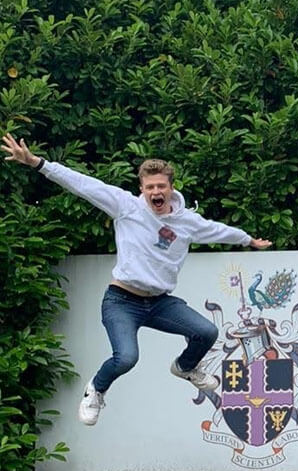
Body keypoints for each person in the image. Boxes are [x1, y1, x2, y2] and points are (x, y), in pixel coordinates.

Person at [2, 133, 273, 426]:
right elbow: (82, 184)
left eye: (161, 187)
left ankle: (185, 367)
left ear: (171, 188)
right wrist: (36, 163)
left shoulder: (187, 222)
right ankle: (96, 389)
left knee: (206, 332)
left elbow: (218, 230)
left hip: (160, 304)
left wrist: (248, 240)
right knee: (127, 358)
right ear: (142, 189)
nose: (156, 192)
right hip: (121, 301)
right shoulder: (125, 206)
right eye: (150, 187)